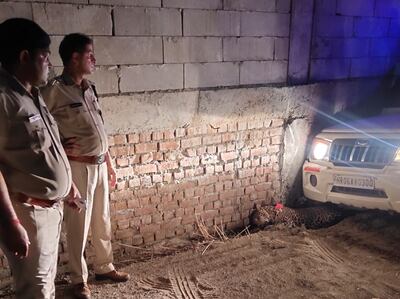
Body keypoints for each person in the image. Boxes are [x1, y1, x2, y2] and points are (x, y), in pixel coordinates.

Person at [41, 33, 129, 299]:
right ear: (74, 58)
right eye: (89, 54)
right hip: (77, 167)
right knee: (78, 223)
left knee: (102, 220)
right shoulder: (53, 91)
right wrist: (56, 147)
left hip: (100, 164)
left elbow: (99, 130)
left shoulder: (89, 88)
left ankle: (104, 266)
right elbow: (38, 126)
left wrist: (110, 164)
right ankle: (79, 280)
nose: (94, 59)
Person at [0, 18, 80, 299]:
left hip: (49, 209)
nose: (49, 64)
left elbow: (47, 146)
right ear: (24, 57)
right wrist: (10, 223)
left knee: (45, 284)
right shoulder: (4, 99)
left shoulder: (32, 94)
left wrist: (68, 185)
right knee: (35, 291)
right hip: (28, 213)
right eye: (44, 57)